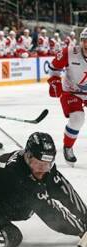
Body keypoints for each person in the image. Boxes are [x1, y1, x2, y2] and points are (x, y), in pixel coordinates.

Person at [47, 27, 87, 166]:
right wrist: (54, 81)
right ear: (81, 41)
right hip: (71, 91)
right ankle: (68, 146)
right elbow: (53, 68)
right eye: (85, 41)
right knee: (77, 118)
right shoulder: (69, 52)